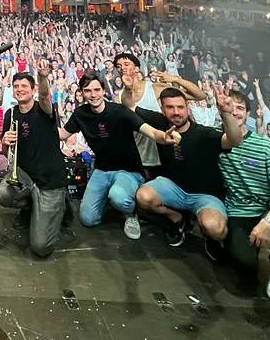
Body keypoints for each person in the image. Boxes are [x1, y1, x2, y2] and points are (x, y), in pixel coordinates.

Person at [58, 73, 181, 240]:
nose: (93, 95)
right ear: (82, 93)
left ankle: (131, 213)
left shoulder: (120, 111)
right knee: (88, 219)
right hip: (101, 169)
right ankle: (111, 199)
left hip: (128, 169)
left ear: (103, 91)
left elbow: (150, 131)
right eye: (88, 91)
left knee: (118, 197)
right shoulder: (80, 114)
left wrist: (163, 137)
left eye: (97, 90)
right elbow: (62, 134)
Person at [134, 86, 242, 257]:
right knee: (143, 196)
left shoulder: (204, 134)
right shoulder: (160, 123)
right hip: (174, 187)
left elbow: (235, 141)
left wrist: (227, 114)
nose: (176, 112)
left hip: (206, 195)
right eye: (170, 107)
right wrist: (130, 86)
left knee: (215, 229)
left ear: (188, 108)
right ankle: (177, 218)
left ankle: (210, 238)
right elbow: (130, 106)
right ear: (163, 110)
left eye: (180, 107)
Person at [218, 90, 270, 303]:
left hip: (268, 210)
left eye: (240, 108)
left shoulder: (266, 147)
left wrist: (267, 221)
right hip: (238, 212)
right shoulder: (214, 142)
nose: (234, 112)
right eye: (229, 106)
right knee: (245, 267)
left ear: (248, 114)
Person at [0, 61, 68, 258]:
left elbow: (45, 96)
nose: (19, 89)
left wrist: (43, 77)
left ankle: (60, 207)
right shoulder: (10, 113)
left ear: (33, 89)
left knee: (41, 247)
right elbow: (5, 151)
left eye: (24, 86)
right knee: (3, 194)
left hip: (49, 180)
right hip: (25, 175)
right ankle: (30, 206)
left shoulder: (44, 109)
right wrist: (4, 142)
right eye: (16, 86)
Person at [116, 52, 205, 173]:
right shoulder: (118, 97)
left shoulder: (155, 88)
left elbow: (199, 95)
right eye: (119, 66)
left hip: (164, 153)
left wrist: (176, 79)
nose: (122, 68)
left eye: (126, 64)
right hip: (138, 156)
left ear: (137, 68)